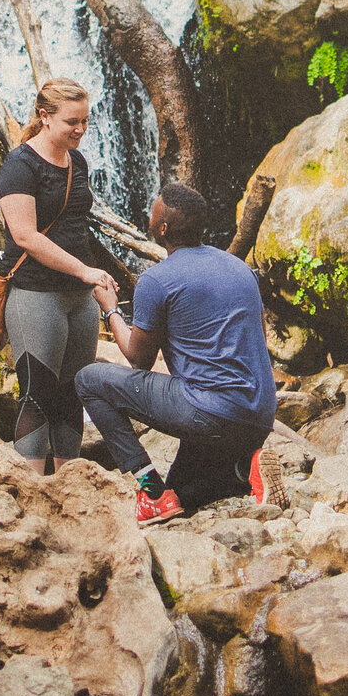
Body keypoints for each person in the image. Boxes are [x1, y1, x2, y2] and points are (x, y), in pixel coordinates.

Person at [77, 181, 277, 522]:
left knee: (89, 379)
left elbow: (138, 359)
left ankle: (150, 491)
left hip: (211, 412)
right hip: (259, 415)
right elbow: (257, 339)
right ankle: (245, 470)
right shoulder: (239, 269)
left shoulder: (157, 281)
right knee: (183, 497)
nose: (149, 215)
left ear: (163, 228)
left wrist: (111, 309)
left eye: (153, 212)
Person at [0, 79, 119, 473]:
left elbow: (75, 225)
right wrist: (85, 270)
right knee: (37, 395)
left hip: (78, 300)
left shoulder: (75, 162)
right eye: (71, 122)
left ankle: (68, 484)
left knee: (72, 394)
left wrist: (95, 277)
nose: (80, 129)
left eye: (85, 120)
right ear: (45, 117)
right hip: (35, 294)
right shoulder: (20, 166)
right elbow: (25, 235)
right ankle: (30, 492)